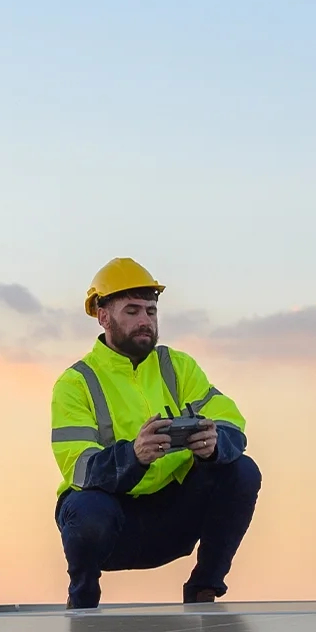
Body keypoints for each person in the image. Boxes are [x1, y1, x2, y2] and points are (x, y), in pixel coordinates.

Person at [50, 257, 261, 609]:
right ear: (103, 316)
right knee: (85, 508)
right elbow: (79, 467)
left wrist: (213, 444)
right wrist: (134, 456)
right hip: (111, 524)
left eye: (150, 311)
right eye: (132, 311)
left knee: (241, 469)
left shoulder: (177, 365)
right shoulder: (75, 383)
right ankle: (82, 601)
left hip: (171, 516)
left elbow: (231, 421)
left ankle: (204, 589)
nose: (145, 320)